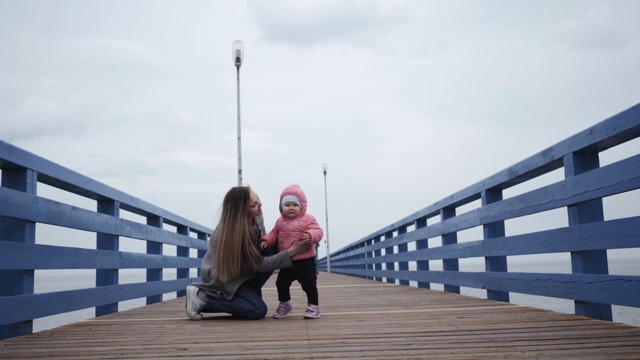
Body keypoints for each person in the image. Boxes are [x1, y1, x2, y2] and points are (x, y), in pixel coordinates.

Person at [185, 186, 308, 320]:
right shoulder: (235, 233)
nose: (260, 204)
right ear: (242, 211)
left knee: (271, 247)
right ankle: (202, 297)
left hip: (241, 270)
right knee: (258, 309)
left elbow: (263, 249)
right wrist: (292, 251)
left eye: (258, 198)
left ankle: (242, 299)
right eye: (254, 205)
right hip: (222, 277)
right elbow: (259, 264)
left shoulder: (256, 217)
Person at [260, 184, 323, 319]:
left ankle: (313, 306)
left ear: (301, 206)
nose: (291, 208)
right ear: (281, 207)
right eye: (287, 205)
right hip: (287, 262)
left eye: (295, 205)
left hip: (306, 261)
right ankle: (285, 303)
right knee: (281, 283)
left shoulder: (308, 219)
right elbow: (273, 235)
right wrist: (266, 240)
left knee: (309, 284)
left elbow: (318, 231)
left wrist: (311, 235)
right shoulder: (280, 222)